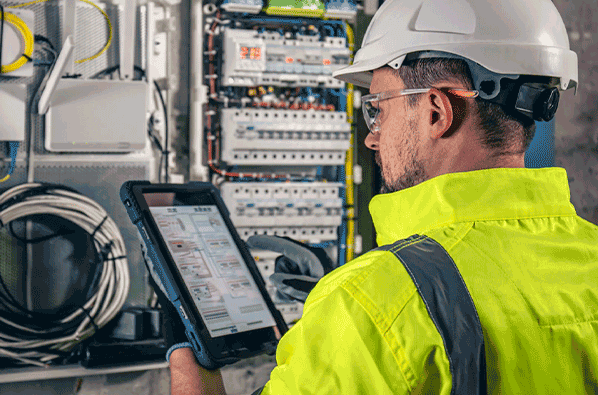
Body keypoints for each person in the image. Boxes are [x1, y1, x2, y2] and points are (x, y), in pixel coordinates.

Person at [167, 0, 598, 393]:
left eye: (379, 109)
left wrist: (185, 354)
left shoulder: (368, 307)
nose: (372, 140)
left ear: (436, 112)